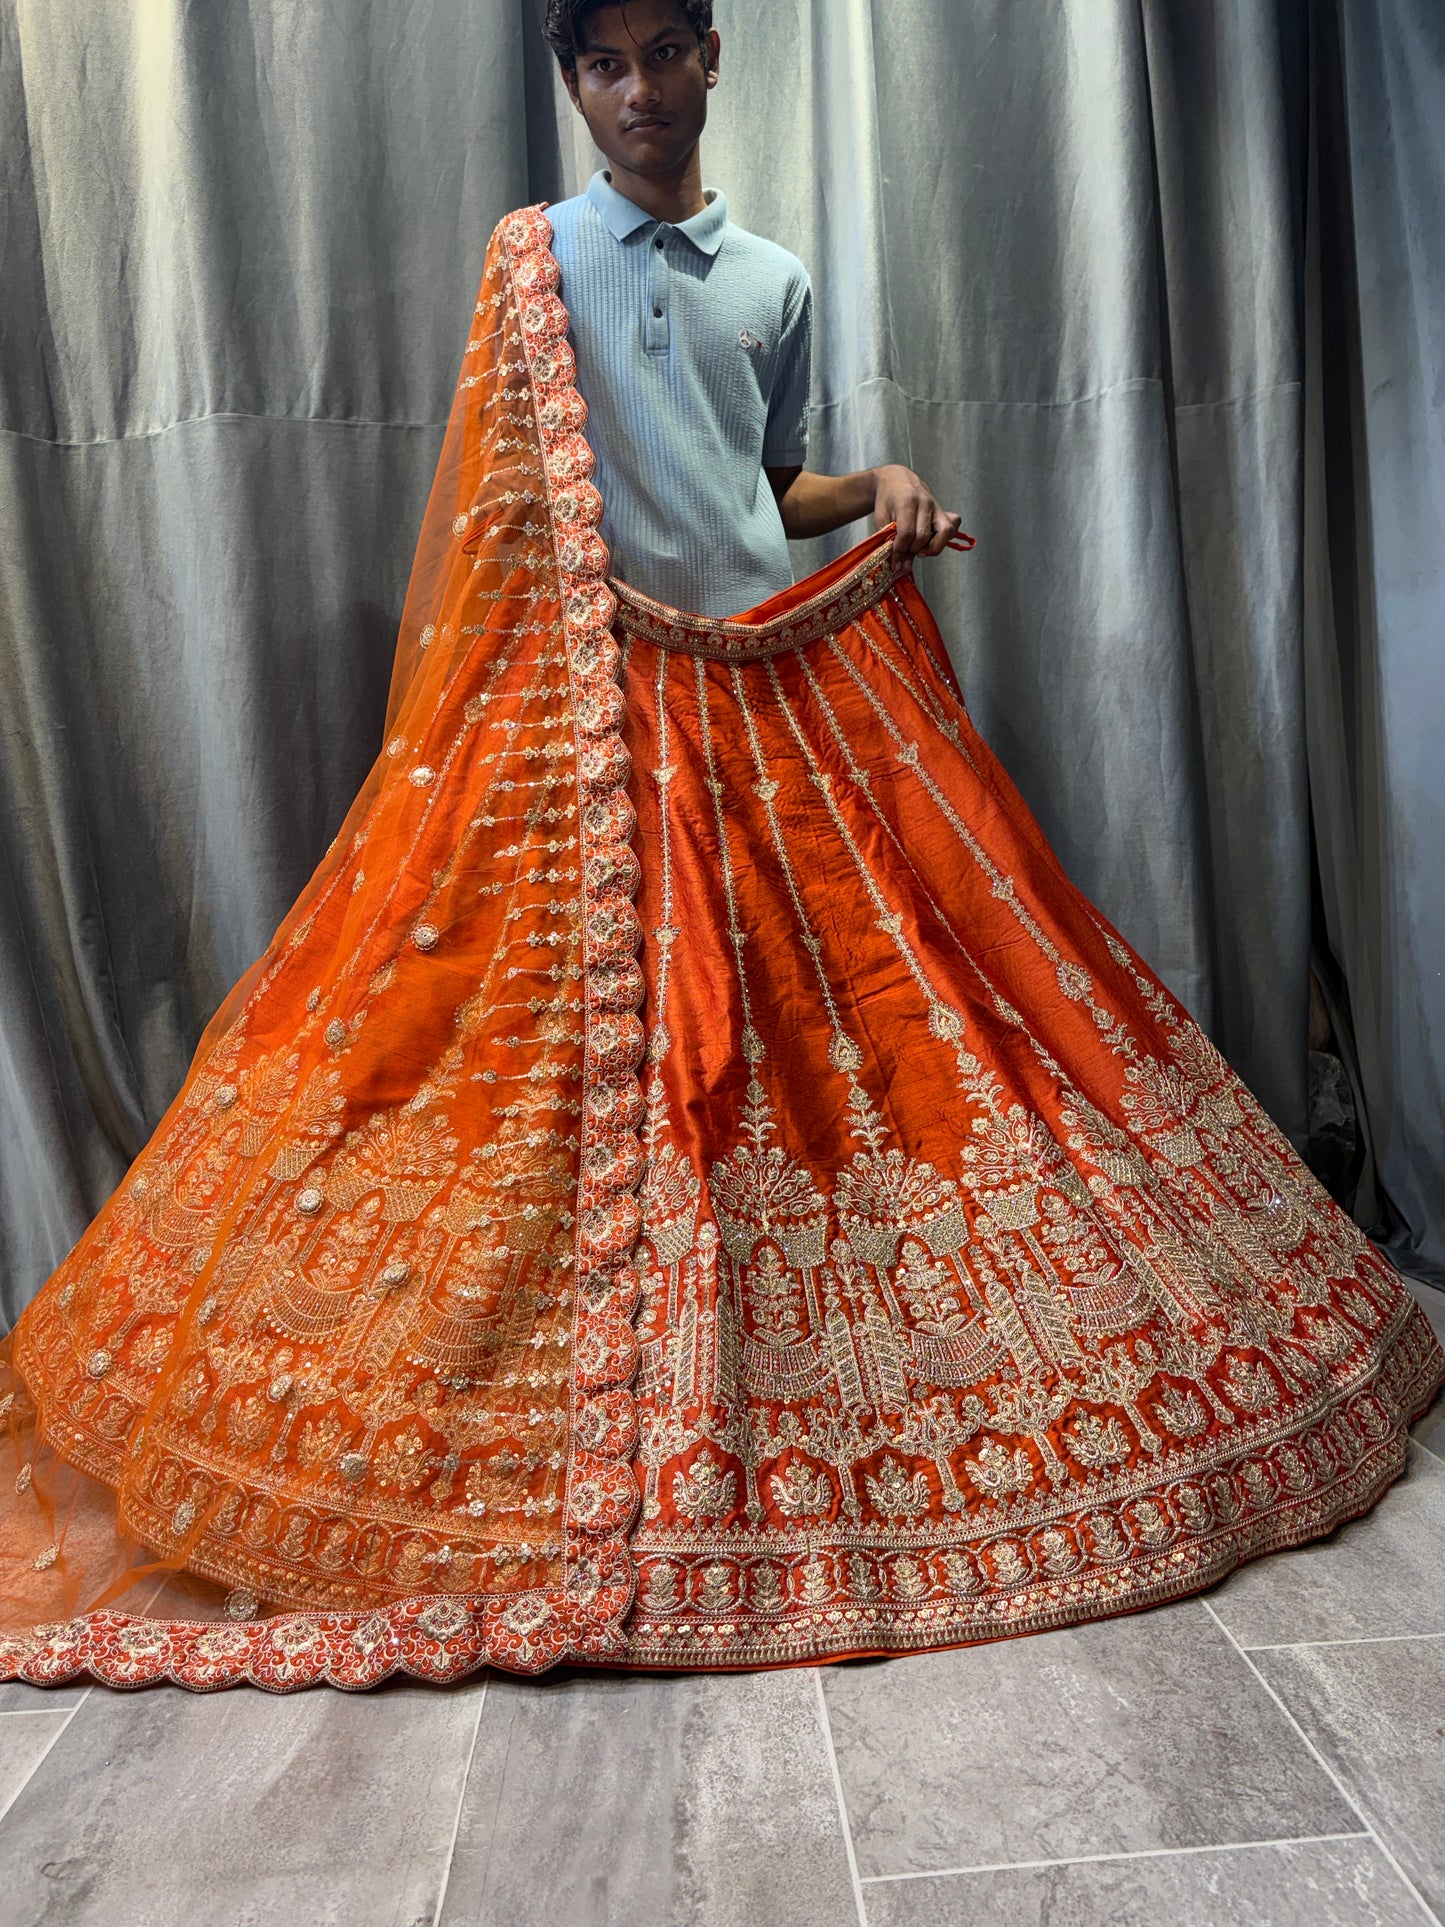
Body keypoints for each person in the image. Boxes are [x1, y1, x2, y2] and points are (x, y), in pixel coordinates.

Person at [0, 0, 1438, 1692]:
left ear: (710, 59)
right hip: (588, 729)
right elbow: (501, 510)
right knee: (572, 1071)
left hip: (770, 705)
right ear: (570, 84)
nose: (637, 93)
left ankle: (812, 1394)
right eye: (601, 66)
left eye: (665, 52)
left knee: (839, 1058)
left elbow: (766, 490)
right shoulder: (530, 257)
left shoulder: (771, 280)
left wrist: (882, 484)